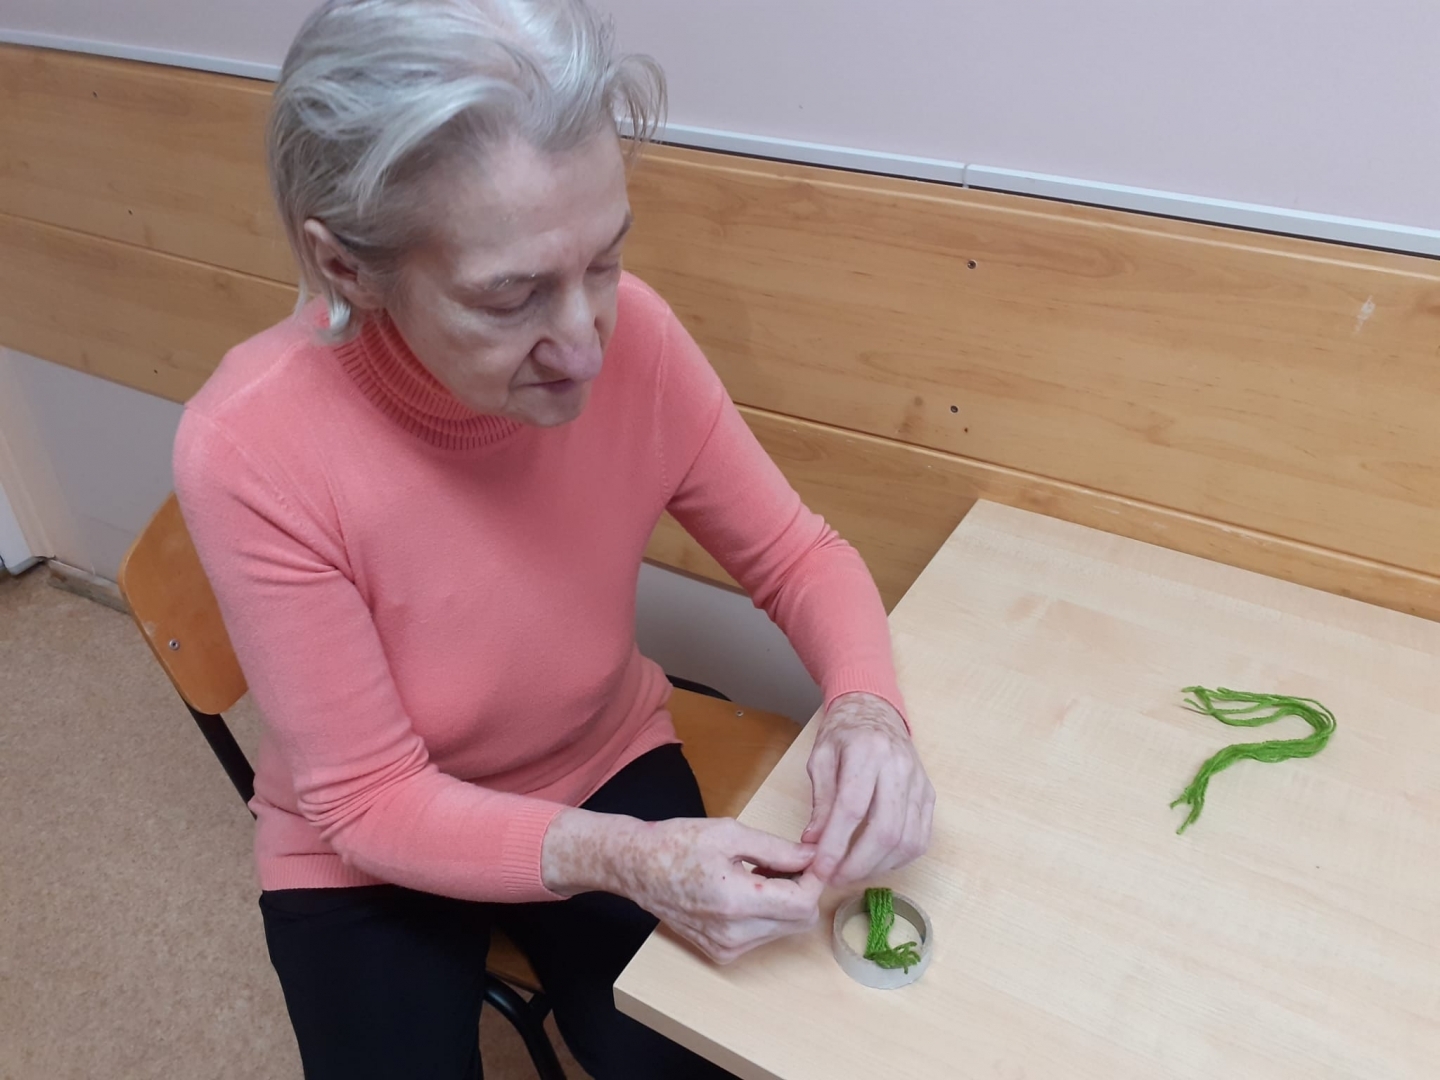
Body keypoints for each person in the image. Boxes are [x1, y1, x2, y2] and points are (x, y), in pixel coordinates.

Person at [173, 1, 934, 1077]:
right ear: (346, 268)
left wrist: (866, 708)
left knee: (708, 1055)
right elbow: (369, 800)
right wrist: (625, 861)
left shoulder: (640, 339)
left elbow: (800, 555)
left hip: (597, 758)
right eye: (511, 296)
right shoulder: (251, 446)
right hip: (368, 843)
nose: (584, 346)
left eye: (605, 261)